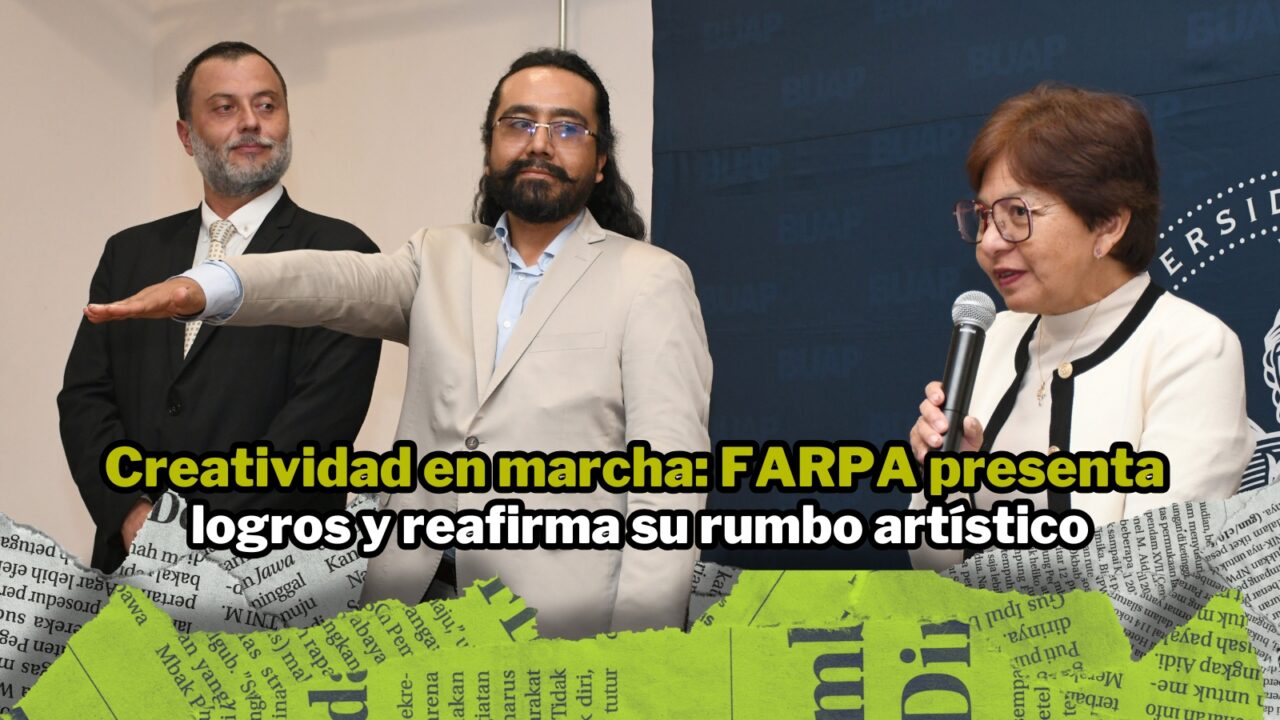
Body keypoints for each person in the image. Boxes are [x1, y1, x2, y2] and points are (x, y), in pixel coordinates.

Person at [84, 49, 713, 637]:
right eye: (518, 124)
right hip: (409, 605)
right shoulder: (439, 255)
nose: (540, 143)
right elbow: (331, 281)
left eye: (568, 127)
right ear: (490, 147)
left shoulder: (649, 279)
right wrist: (209, 285)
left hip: (558, 621)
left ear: (600, 160)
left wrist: (641, 648)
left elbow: (669, 487)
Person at [59, 42, 381, 573]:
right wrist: (131, 515)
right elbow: (85, 400)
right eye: (225, 107)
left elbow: (317, 428)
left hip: (269, 572)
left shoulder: (341, 255)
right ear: (187, 135)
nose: (251, 121)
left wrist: (194, 540)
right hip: (129, 567)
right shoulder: (130, 253)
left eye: (267, 105)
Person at [907, 83, 1254, 570]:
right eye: (984, 217)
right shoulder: (994, 337)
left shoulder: (1192, 347)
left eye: (1017, 214)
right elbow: (930, 563)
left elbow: (1153, 578)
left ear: (1108, 224)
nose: (988, 243)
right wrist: (945, 486)